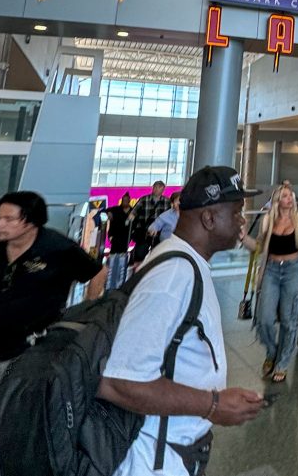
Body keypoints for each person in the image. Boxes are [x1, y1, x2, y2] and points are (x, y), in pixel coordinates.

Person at [100, 166, 264, 476]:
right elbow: (120, 382)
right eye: (237, 211)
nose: (243, 220)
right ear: (209, 219)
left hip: (176, 452)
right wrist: (213, 404)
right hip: (155, 461)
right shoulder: (173, 275)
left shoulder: (187, 263)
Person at [0, 191, 105, 476]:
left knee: (15, 416)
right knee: (9, 408)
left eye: (8, 219)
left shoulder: (57, 247)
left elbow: (97, 273)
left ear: (30, 223)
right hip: (0, 343)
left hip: (38, 349)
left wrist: (85, 311)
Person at [242, 184, 298, 383]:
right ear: (277, 200)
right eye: (285, 196)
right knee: (264, 319)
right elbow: (257, 247)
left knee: (289, 320)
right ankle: (272, 353)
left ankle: (282, 363)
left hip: (293, 270)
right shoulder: (267, 221)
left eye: (291, 196)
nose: (289, 199)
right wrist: (243, 238)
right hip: (271, 271)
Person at [128, 181, 169, 265]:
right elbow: (134, 212)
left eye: (160, 187)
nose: (157, 189)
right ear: (152, 188)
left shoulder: (166, 201)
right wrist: (131, 217)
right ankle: (136, 271)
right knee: (139, 255)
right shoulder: (144, 199)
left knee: (157, 255)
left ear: (163, 189)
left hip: (158, 233)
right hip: (144, 231)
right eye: (156, 187)